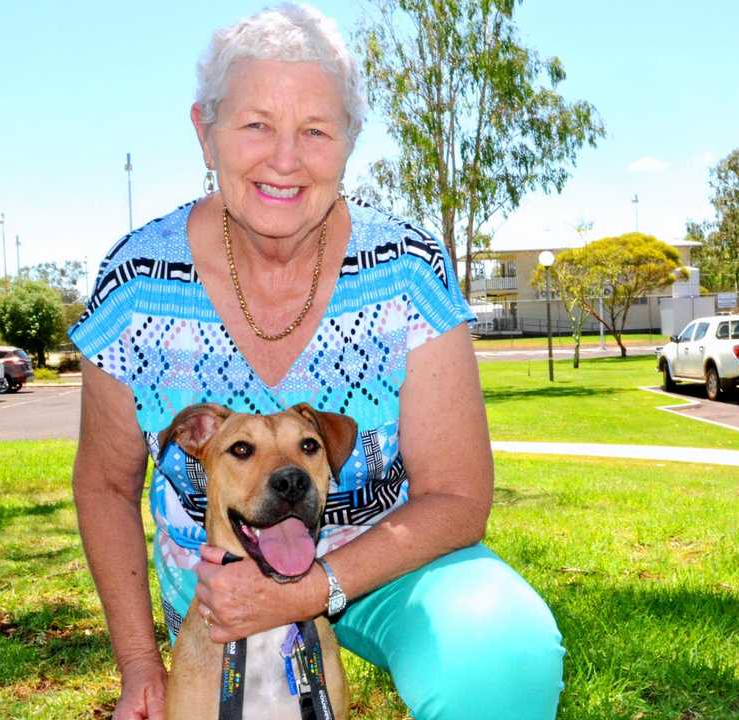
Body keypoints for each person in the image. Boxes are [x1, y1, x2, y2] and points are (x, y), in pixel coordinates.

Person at [69, 4, 563, 719]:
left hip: (383, 561)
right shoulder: (138, 284)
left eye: (316, 130)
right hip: (218, 580)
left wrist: (311, 588)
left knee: (500, 651)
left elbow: (458, 497)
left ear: (349, 142)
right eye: (256, 125)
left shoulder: (406, 269)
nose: (285, 158)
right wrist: (141, 666)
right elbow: (106, 488)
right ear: (205, 133)